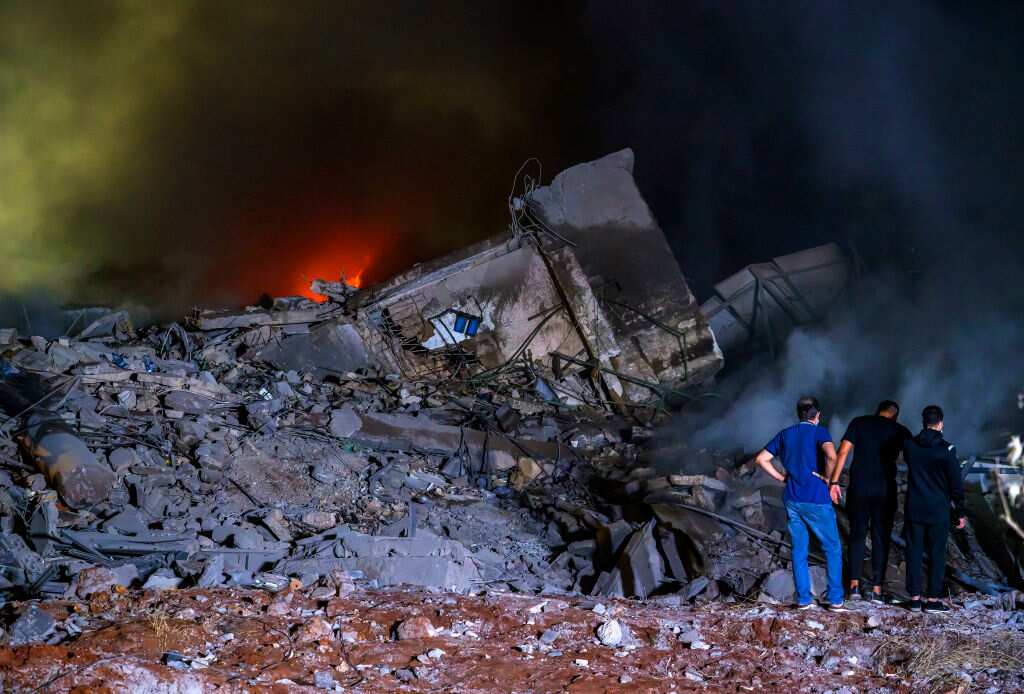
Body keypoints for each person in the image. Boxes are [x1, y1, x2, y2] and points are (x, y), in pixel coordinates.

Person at [755, 396, 846, 611]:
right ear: (817, 415)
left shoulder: (785, 434)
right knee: (832, 548)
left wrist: (780, 478)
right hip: (816, 498)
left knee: (799, 550)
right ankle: (835, 599)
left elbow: (761, 459)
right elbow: (832, 456)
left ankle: (804, 599)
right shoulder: (820, 432)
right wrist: (831, 481)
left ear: (799, 414)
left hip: (793, 499)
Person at [829, 400, 911, 602]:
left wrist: (834, 481)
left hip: (860, 487)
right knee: (880, 538)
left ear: (876, 411)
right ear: (895, 416)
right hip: (885, 490)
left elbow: (844, 451)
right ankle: (876, 590)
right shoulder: (901, 430)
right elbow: (914, 458)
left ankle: (854, 586)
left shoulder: (860, 422)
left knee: (856, 535)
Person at [902, 405, 967, 613]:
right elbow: (956, 485)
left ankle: (914, 598)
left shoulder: (910, 446)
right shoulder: (947, 450)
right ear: (940, 423)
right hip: (938, 510)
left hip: (914, 507)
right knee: (936, 554)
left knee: (913, 552)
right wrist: (960, 512)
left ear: (923, 422)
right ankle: (932, 600)